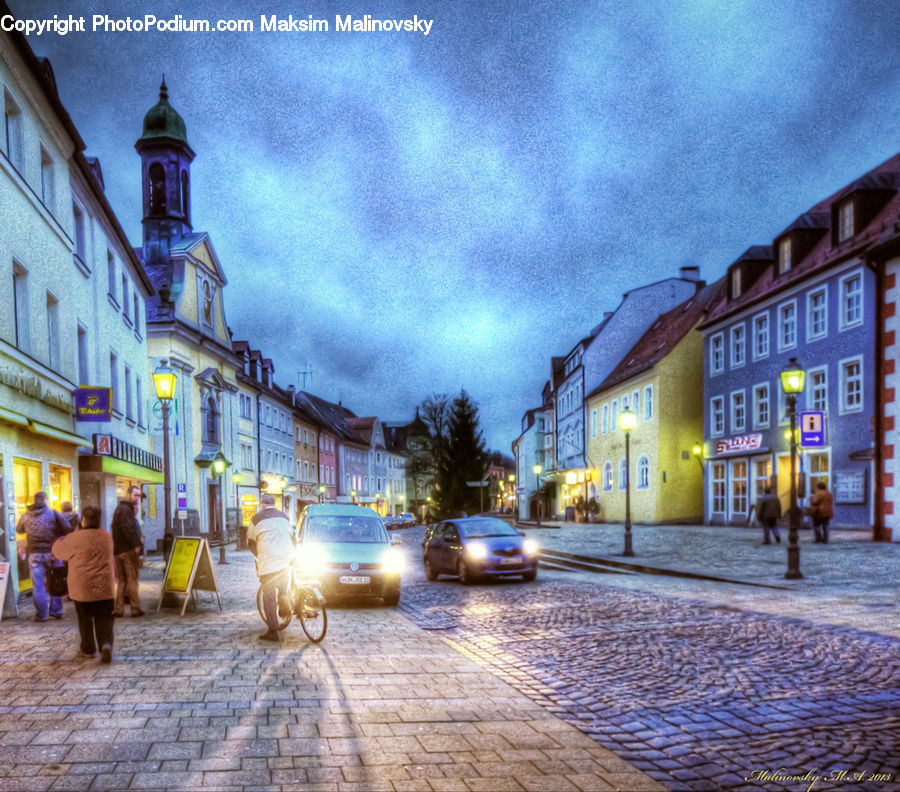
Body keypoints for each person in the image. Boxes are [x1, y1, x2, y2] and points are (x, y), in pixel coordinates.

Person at [51, 506, 115, 662]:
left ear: (83, 520)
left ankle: (88, 649)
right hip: (104, 586)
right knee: (105, 618)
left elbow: (59, 553)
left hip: (82, 587)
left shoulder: (75, 537)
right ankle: (105, 644)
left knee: (85, 619)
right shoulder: (106, 536)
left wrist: (61, 539)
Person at [16, 492, 71, 621]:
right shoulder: (53, 513)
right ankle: (56, 611)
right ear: (46, 500)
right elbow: (67, 528)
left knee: (38, 584)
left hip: (34, 553)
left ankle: (42, 614)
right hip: (52, 552)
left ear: (35, 501)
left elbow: (19, 529)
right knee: (56, 580)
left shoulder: (25, 516)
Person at [248, 493, 294, 642]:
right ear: (274, 504)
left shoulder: (256, 519)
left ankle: (273, 631)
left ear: (262, 505)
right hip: (286, 560)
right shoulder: (284, 517)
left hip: (268, 563)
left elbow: (250, 542)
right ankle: (283, 599)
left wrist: (258, 555)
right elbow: (292, 536)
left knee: (268, 596)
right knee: (283, 584)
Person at [111, 485, 144, 617]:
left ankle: (118, 609)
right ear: (129, 494)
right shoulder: (126, 510)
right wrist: (136, 544)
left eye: (139, 495)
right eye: (135, 495)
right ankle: (135, 608)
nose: (137, 498)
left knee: (122, 580)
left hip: (118, 551)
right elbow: (128, 529)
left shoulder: (120, 509)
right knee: (132, 579)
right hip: (127, 551)